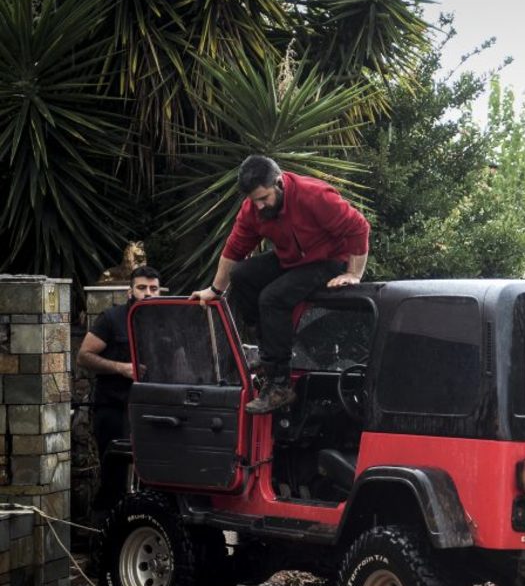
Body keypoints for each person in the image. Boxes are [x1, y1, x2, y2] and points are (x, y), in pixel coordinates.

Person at [191, 155, 370, 413]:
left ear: (279, 183)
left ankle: (279, 386)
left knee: (272, 298)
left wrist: (354, 273)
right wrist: (215, 290)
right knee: (242, 275)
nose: (260, 206)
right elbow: (234, 250)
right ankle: (268, 360)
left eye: (264, 198)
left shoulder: (314, 195)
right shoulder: (252, 209)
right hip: (293, 259)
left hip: (330, 259)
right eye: (255, 200)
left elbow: (359, 227)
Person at [77, 265, 162, 512]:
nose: (148, 293)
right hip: (115, 407)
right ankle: (105, 534)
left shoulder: (165, 319)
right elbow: (84, 356)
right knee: (114, 476)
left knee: (154, 475)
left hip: (152, 409)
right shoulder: (112, 319)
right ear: (130, 291)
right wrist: (121, 368)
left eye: (153, 289)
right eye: (142, 288)